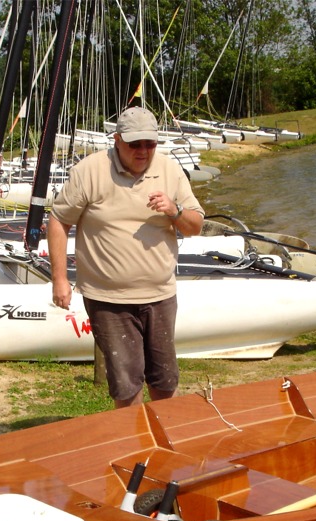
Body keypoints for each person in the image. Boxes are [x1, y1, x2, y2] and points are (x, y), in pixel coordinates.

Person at [47, 106, 205, 408]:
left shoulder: (170, 170)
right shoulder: (89, 171)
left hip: (160, 296)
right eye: (135, 144)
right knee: (126, 383)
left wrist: (175, 210)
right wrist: (60, 279)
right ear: (117, 139)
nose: (143, 151)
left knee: (165, 379)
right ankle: (133, 446)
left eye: (150, 143)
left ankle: (165, 443)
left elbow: (195, 226)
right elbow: (58, 220)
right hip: (108, 300)